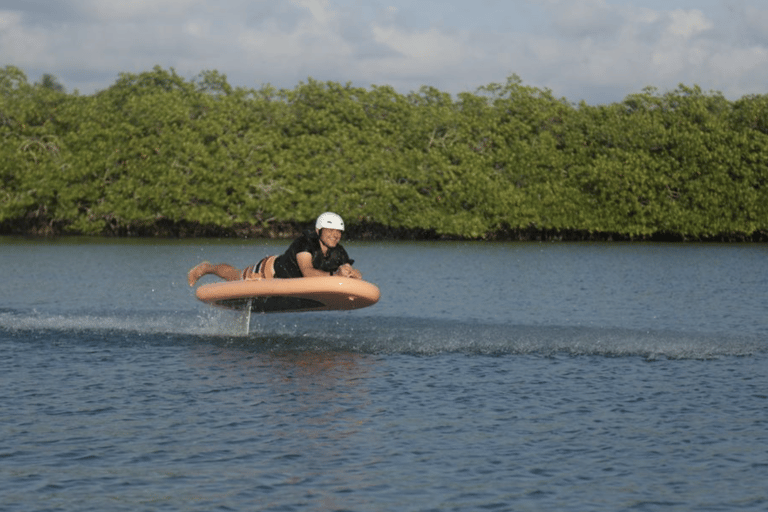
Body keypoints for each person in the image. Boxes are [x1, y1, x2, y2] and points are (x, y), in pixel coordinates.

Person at [187, 212, 362, 286]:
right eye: (330, 231)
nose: (335, 235)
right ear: (319, 231)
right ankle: (207, 268)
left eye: (338, 232)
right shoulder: (305, 243)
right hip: (266, 272)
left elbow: (352, 272)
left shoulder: (339, 251)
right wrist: (335, 276)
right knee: (237, 276)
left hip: (288, 279)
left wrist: (352, 274)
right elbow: (308, 272)